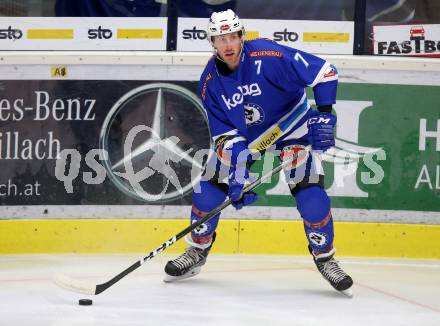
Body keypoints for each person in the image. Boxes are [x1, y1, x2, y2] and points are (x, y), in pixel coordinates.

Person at [164, 9, 353, 296]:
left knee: (311, 198)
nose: (227, 44)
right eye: (220, 39)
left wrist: (325, 113)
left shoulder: (270, 55)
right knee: (208, 191)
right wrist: (238, 176)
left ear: (242, 36)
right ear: (212, 42)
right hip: (250, 140)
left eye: (232, 37)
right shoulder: (209, 82)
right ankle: (198, 250)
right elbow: (226, 137)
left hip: (292, 128)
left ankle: (325, 258)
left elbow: (325, 72)